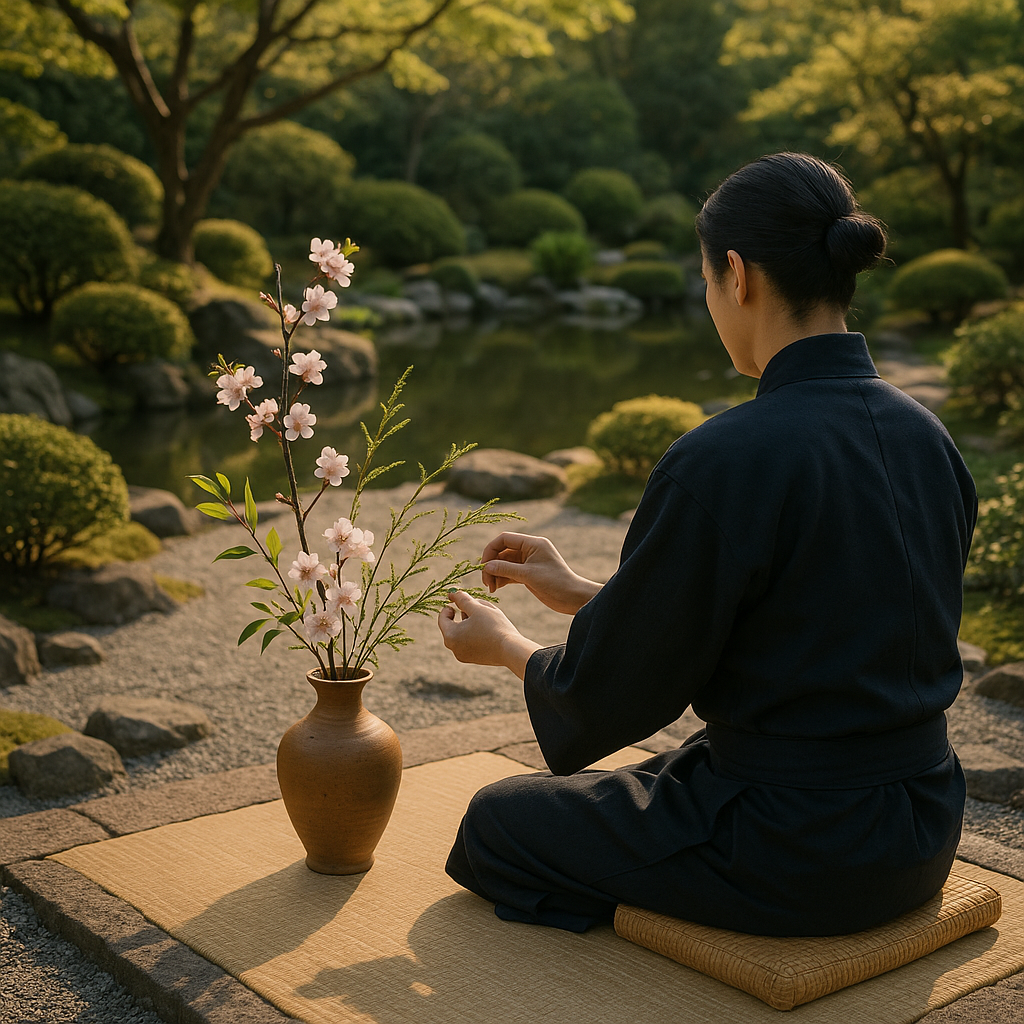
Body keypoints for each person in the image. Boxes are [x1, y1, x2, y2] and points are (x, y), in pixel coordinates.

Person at [436, 152, 978, 937]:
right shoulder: (928, 436)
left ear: (738, 274)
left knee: (497, 822)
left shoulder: (724, 457)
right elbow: (816, 618)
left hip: (797, 849)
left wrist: (512, 647)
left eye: (705, 280)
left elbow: (619, 690)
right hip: (924, 823)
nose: (708, 299)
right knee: (660, 776)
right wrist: (586, 592)